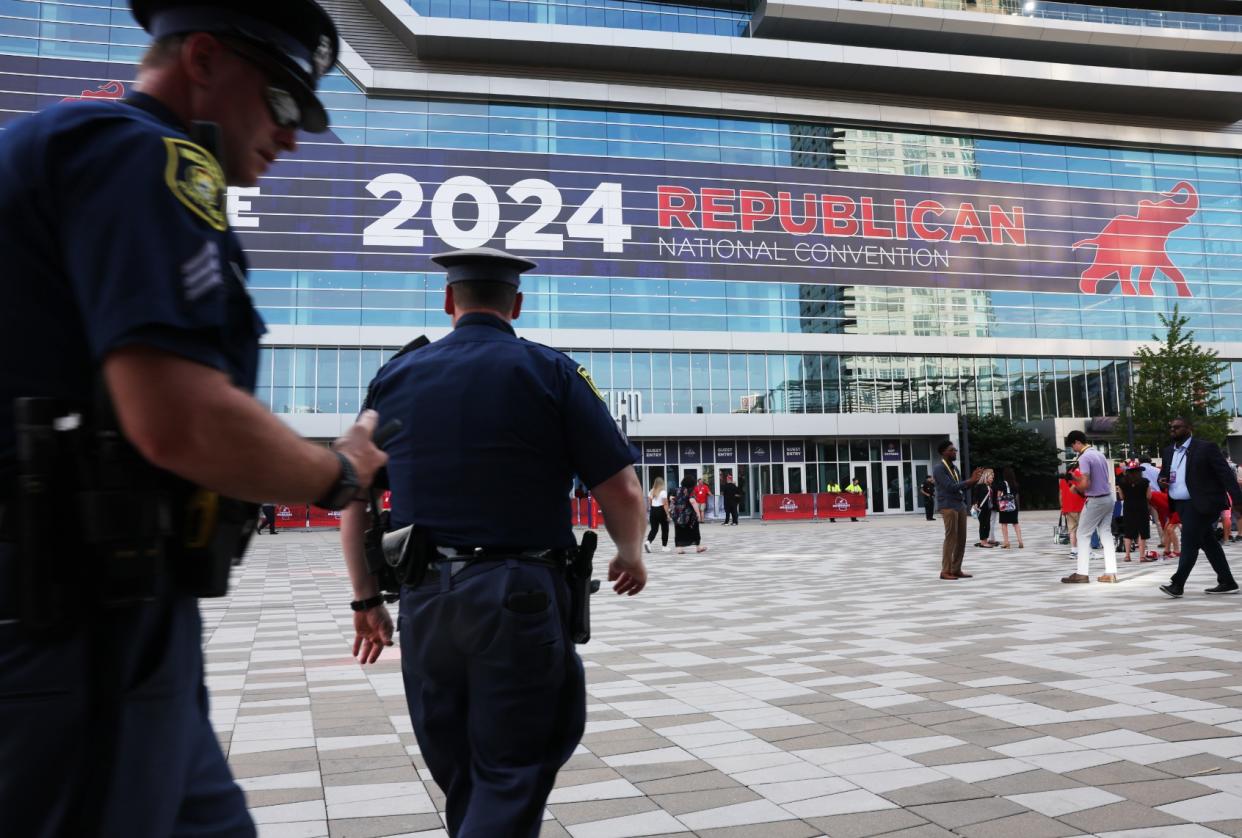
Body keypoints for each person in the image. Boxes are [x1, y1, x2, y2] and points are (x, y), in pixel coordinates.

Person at [0, 3, 392, 835]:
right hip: (71, 622)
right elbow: (178, 422)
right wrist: (342, 471)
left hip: (115, 615)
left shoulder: (66, 150)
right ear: (205, 60)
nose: (292, 136)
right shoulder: (142, 157)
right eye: (284, 103)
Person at [340, 247, 647, 837]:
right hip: (519, 599)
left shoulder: (395, 376)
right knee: (511, 772)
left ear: (450, 300)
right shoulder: (550, 371)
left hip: (425, 602)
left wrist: (364, 601)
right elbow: (624, 490)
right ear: (518, 305)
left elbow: (353, 495)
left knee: (463, 775)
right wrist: (630, 553)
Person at [1158, 416, 1242, 597]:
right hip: (1181, 504)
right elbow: (1163, 475)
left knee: (1189, 542)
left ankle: (1177, 583)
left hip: (1203, 504)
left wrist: (1238, 500)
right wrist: (1161, 481)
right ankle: (1227, 581)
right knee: (1208, 542)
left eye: (1177, 427)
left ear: (1189, 428)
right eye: (1171, 427)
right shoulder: (1168, 451)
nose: (1173, 430)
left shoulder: (1205, 448)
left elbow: (1225, 475)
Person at [1063, 430, 1118, 584]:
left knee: (1082, 533)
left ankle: (1082, 573)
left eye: (1072, 446)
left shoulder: (1085, 457)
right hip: (1108, 497)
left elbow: (1086, 483)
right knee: (1106, 534)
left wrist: (1076, 487)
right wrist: (1076, 478)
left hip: (1095, 499)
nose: (1073, 449)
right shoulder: (1099, 454)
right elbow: (1096, 478)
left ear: (1077, 442)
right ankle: (1111, 572)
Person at [933, 440, 985, 580]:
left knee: (961, 539)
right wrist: (969, 480)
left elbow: (961, 486)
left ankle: (956, 569)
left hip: (959, 505)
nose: (955, 452)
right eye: (952, 450)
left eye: (955, 450)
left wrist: (973, 481)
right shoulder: (939, 468)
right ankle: (945, 571)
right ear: (944, 453)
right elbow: (950, 487)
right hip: (948, 506)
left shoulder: (955, 468)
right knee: (951, 538)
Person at [1118, 459, 1154, 563]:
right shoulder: (1145, 482)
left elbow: (1121, 496)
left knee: (1128, 532)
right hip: (1142, 507)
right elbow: (1149, 496)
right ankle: (1142, 557)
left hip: (1128, 508)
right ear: (1139, 471)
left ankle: (1127, 555)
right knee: (1142, 532)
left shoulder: (1122, 482)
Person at [671, 475, 706, 554]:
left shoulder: (677, 490)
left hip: (678, 514)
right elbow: (692, 501)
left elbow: (671, 499)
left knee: (679, 531)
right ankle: (698, 547)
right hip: (688, 515)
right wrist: (698, 513)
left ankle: (679, 548)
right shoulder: (690, 491)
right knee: (694, 529)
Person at [995, 466, 1024, 549]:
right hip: (1013, 506)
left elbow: (998, 495)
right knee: (1015, 523)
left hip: (1004, 506)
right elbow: (1016, 495)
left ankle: (1006, 542)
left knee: (1004, 524)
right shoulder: (1015, 484)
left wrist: (998, 504)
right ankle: (1020, 541)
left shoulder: (1002, 484)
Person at [1060, 467, 1086, 558]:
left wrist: (1062, 507)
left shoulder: (1063, 481)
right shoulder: (1079, 479)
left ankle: (1074, 551)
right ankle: (1085, 551)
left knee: (1072, 531)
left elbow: (1061, 494)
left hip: (1067, 508)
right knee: (1083, 530)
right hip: (1080, 507)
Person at [645, 476, 670, 552]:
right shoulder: (663, 492)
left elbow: (649, 502)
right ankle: (664, 546)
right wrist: (668, 514)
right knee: (665, 528)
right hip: (661, 510)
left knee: (654, 529)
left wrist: (650, 510)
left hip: (653, 510)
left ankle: (648, 542)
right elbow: (665, 504)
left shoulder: (651, 491)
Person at [972, 469, 994, 548]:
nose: (992, 479)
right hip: (981, 508)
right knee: (983, 524)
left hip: (988, 508)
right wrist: (975, 503)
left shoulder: (989, 486)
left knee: (987, 524)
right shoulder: (979, 486)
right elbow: (975, 496)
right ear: (986, 477)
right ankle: (982, 542)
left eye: (992, 478)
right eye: (991, 477)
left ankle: (985, 540)